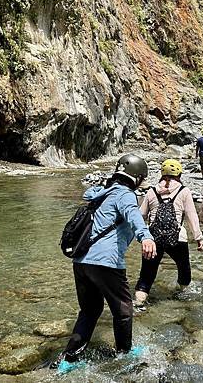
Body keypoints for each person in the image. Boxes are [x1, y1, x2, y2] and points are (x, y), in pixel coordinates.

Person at [53, 154, 157, 368]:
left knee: (90, 310)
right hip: (106, 262)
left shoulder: (100, 194)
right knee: (123, 309)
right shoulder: (125, 194)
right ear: (137, 178)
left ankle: (69, 359)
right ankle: (124, 355)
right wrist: (145, 237)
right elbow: (132, 214)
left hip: (81, 261)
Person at [134, 159, 203, 307]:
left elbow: (141, 216)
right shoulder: (184, 191)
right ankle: (183, 299)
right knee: (184, 269)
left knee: (146, 275)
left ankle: (139, 303)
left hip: (153, 239)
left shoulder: (151, 191)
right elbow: (192, 216)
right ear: (179, 174)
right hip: (178, 238)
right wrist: (199, 238)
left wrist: (138, 237)